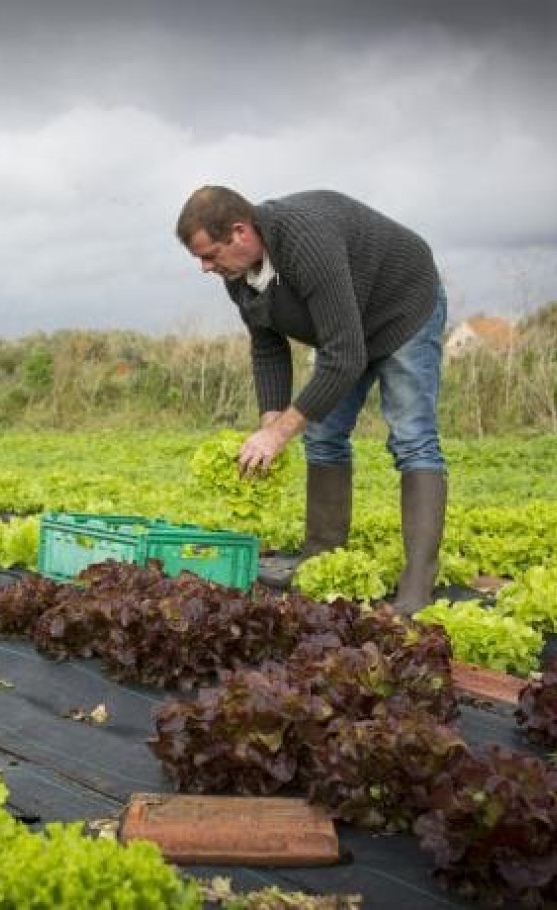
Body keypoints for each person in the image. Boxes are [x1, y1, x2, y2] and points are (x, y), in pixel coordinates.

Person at [175, 186, 447, 612]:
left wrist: (281, 433)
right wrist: (270, 422)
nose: (204, 268)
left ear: (240, 232)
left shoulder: (307, 242)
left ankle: (417, 585)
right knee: (321, 435)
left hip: (401, 307)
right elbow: (268, 346)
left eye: (209, 255)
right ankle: (322, 558)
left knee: (413, 438)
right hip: (347, 328)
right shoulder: (238, 275)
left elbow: (344, 357)